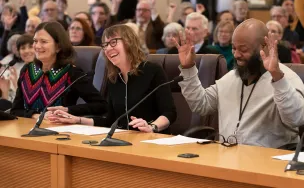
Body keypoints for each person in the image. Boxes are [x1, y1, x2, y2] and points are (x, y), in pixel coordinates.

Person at [175, 18, 304, 147]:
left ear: (265, 48)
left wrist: (277, 77)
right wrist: (188, 68)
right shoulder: (231, 78)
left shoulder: (287, 78)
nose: (236, 55)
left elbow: (297, 119)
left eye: (243, 50)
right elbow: (201, 104)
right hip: (228, 158)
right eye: (234, 48)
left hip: (267, 162)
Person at [49, 25, 177, 133]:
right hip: (123, 140)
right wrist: (77, 120)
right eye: (105, 45)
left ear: (129, 42)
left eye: (113, 42)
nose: (108, 48)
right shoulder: (114, 78)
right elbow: (109, 120)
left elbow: (169, 113)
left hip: (152, 140)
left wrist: (152, 127)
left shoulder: (153, 70)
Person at [11, 21, 107, 119]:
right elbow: (15, 110)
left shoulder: (71, 73)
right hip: (25, 129)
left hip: (59, 130)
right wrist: (37, 116)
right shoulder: (27, 70)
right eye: (35, 41)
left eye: (43, 41)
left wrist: (68, 110)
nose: (37, 46)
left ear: (58, 46)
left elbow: (101, 105)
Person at [0, 34, 35, 102]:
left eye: (30, 47)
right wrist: (5, 92)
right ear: (18, 52)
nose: (26, 51)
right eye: (23, 48)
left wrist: (16, 84)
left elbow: (30, 102)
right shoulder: (23, 70)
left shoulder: (42, 69)